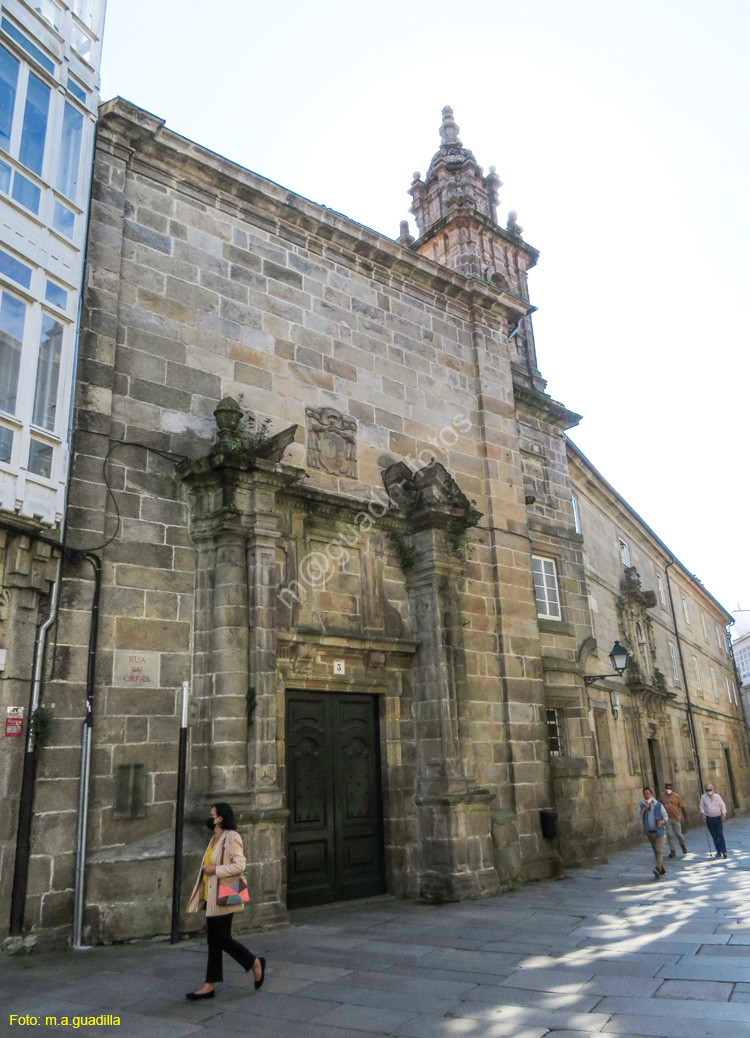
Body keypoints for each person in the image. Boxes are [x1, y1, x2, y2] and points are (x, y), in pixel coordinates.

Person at [185, 802, 266, 999]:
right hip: (211, 896)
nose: (209, 817)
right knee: (214, 940)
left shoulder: (232, 837)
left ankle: (254, 963)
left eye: (212, 814)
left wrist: (216, 870)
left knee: (222, 939)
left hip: (224, 895)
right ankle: (209, 985)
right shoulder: (214, 838)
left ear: (220, 818)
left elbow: (240, 865)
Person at [637, 787, 669, 879]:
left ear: (651, 794)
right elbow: (638, 816)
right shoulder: (642, 805)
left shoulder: (658, 805)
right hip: (650, 832)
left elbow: (666, 816)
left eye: (648, 794)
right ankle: (662, 871)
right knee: (656, 852)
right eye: (645, 794)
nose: (646, 796)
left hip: (659, 832)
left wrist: (662, 821)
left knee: (658, 850)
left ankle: (657, 868)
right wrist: (644, 809)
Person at [658, 781, 689, 858]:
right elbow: (658, 806)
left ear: (672, 788)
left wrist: (686, 817)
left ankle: (682, 845)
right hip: (666, 819)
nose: (668, 789)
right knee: (670, 834)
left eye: (670, 788)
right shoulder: (662, 796)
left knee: (679, 834)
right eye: (667, 788)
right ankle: (673, 851)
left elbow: (682, 807)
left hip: (676, 818)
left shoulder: (677, 796)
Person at [700, 784, 728, 858]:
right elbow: (702, 806)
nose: (709, 791)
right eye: (707, 790)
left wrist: (724, 814)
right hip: (709, 819)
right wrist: (703, 814)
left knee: (720, 834)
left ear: (713, 789)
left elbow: (722, 805)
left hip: (718, 818)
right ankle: (718, 851)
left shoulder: (717, 797)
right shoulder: (703, 797)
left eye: (710, 790)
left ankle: (724, 851)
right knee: (714, 836)